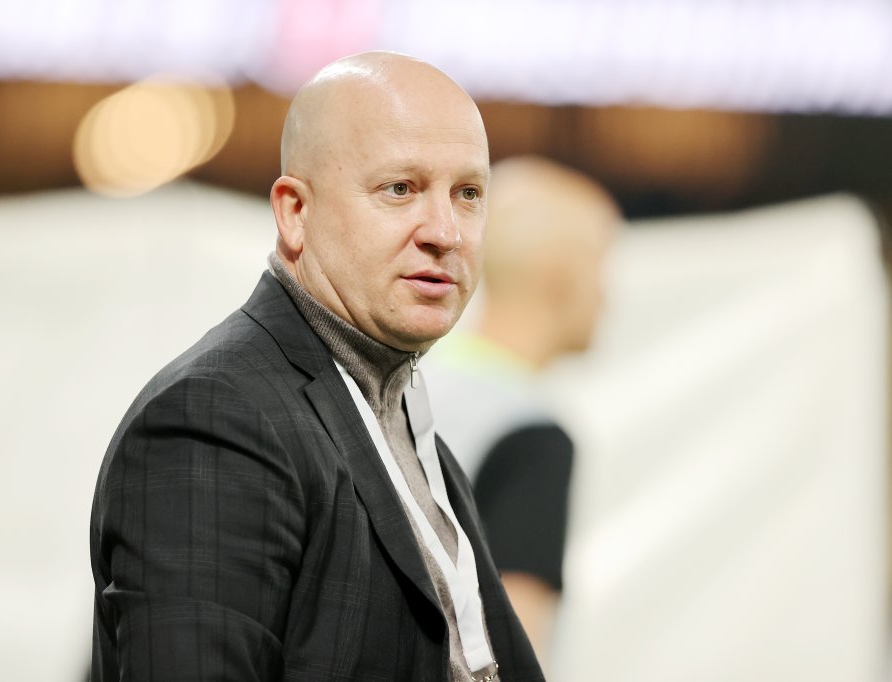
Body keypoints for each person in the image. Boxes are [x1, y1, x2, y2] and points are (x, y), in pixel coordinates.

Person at [89, 52, 544, 681]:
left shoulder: (399, 413)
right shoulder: (214, 422)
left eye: (468, 194)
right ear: (295, 213)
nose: (446, 232)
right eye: (400, 189)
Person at [425, 156, 621, 672]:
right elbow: (513, 647)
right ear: (561, 275)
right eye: (602, 267)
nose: (607, 297)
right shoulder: (530, 435)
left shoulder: (407, 384)